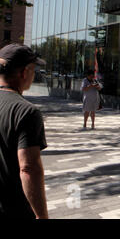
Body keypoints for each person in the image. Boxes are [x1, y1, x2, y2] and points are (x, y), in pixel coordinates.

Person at [0, 44, 49, 218]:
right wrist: (42, 216)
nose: (34, 75)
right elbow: (29, 168)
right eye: (34, 69)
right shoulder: (26, 112)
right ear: (24, 72)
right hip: (14, 209)